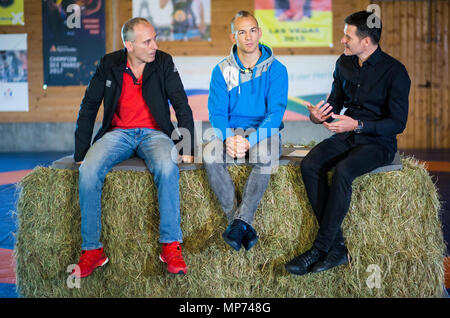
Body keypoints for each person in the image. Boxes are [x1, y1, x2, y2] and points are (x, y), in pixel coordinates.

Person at [285, 10, 411, 275]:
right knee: (309, 165)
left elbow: (398, 123)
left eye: (347, 35)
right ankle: (338, 246)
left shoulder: (396, 72)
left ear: (366, 41)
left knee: (342, 173)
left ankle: (320, 249)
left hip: (379, 143)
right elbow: (335, 102)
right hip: (347, 136)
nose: (342, 40)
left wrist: (358, 124)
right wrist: (318, 116)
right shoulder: (343, 63)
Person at [72, 17, 195, 277]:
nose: (154, 45)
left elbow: (181, 104)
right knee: (88, 171)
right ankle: (93, 251)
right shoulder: (109, 64)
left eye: (155, 39)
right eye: (147, 41)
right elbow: (89, 106)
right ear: (129, 44)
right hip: (118, 134)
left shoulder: (163, 61)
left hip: (155, 134)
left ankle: (170, 245)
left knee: (166, 166)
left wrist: (187, 145)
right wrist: (82, 152)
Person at [203, 11, 288, 252]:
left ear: (260, 33)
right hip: (232, 131)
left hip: (264, 132)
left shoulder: (276, 70)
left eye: (252, 30)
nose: (248, 37)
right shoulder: (221, 70)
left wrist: (251, 140)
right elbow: (217, 114)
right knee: (209, 154)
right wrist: (229, 137)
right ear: (233, 37)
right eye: (242, 32)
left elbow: (276, 114)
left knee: (266, 155)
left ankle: (239, 222)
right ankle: (238, 222)